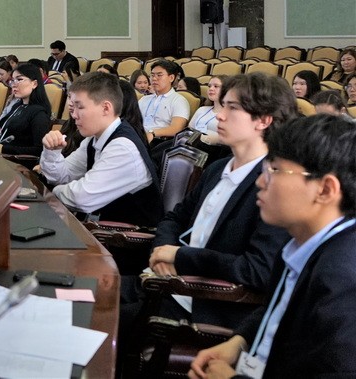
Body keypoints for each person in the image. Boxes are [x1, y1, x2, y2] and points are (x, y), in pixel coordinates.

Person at [188, 114, 356, 379]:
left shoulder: (344, 279)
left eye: (275, 170)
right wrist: (240, 342)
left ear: (325, 190)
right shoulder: (300, 244)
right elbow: (281, 307)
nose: (260, 181)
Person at [128, 73, 297, 332]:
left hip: (206, 307)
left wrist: (180, 257)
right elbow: (174, 218)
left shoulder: (275, 185)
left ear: (264, 120)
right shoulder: (217, 168)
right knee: (84, 290)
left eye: (232, 108)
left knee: (94, 316)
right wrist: (163, 250)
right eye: (222, 106)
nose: (220, 115)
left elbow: (256, 269)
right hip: (164, 284)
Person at [39, 72, 162, 227]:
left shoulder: (123, 147)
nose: (74, 115)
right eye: (72, 108)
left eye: (80, 107)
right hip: (99, 228)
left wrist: (52, 191)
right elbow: (64, 175)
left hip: (124, 237)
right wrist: (52, 152)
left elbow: (81, 199)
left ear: (105, 108)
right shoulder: (94, 138)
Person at [0, 63, 52, 158]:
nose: (14, 85)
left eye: (19, 80)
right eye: (12, 80)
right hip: (1, 157)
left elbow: (40, 150)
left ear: (34, 84)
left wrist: (3, 149)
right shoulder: (17, 106)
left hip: (17, 162)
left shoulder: (39, 114)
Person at [138, 59, 191, 145]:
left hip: (160, 141)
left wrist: (152, 133)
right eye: (152, 75)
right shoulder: (144, 99)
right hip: (139, 137)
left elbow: (176, 128)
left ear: (171, 78)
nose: (154, 79)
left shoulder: (179, 101)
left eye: (159, 75)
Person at [188, 75, 229, 142]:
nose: (211, 89)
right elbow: (189, 130)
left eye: (216, 86)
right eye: (209, 86)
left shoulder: (232, 114)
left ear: (227, 90)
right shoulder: (201, 109)